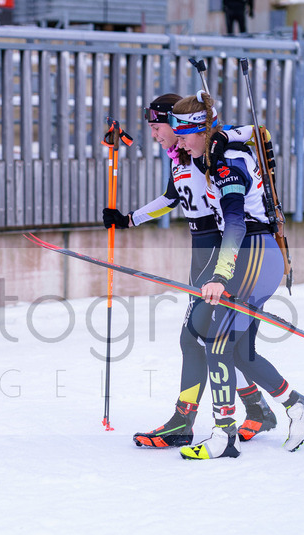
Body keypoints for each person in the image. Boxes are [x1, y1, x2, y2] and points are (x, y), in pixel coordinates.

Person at [102, 94, 278, 450]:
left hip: (222, 253)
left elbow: (250, 134)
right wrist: (128, 219)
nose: (155, 135)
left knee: (205, 339)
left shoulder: (206, 154)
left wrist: (224, 136)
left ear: (176, 124)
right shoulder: (181, 158)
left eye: (157, 127)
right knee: (216, 340)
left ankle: (191, 421)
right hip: (200, 253)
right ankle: (257, 409)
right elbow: (171, 199)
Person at [169, 91, 304, 459]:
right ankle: (299, 406)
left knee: (216, 341)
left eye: (185, 134)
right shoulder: (220, 150)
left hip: (253, 252)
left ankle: (224, 435)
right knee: (240, 351)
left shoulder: (225, 165)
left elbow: (235, 223)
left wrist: (221, 277)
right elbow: (255, 132)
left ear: (203, 132)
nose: (180, 142)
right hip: (259, 256)